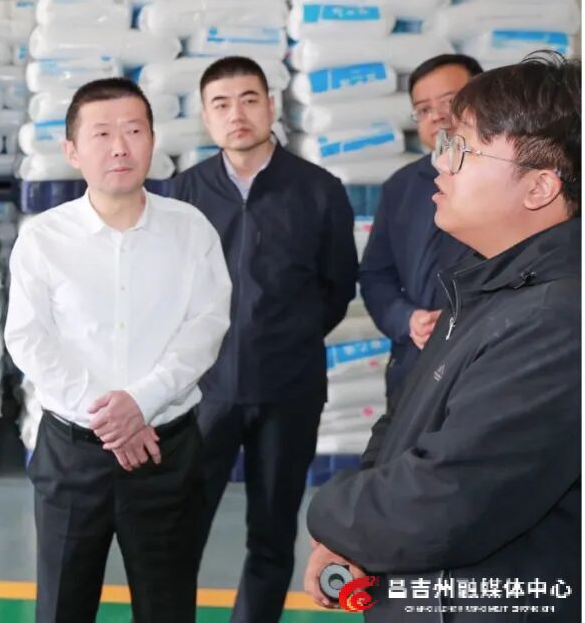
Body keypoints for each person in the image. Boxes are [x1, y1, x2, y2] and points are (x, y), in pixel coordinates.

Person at [304, 52, 581, 622]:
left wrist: (329, 512)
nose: (440, 166)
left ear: (539, 187)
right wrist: (354, 535)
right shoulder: (486, 285)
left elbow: (445, 500)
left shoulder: (554, 321)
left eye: (463, 149)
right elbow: (403, 421)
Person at [5, 77, 232, 623]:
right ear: (72, 150)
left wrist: (142, 402)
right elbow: (29, 338)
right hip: (72, 456)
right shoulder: (43, 238)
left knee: (168, 607)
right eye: (102, 134)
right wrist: (113, 418)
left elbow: (206, 327)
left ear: (153, 141)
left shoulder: (191, 231)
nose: (119, 147)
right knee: (62, 605)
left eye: (133, 131)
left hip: (165, 454)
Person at [172, 56, 358, 623]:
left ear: (272, 106)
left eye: (250, 99)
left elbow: (337, 286)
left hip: (289, 389)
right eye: (222, 104)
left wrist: (285, 338)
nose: (237, 114)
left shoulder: (318, 190)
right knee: (177, 530)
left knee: (273, 534)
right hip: (203, 392)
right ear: (206, 117)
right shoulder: (183, 194)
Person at [359, 54, 481, 401]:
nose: (437, 116)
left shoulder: (505, 180)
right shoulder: (400, 187)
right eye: (424, 109)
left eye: (449, 101)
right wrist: (407, 319)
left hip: (481, 361)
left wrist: (463, 318)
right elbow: (376, 274)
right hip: (413, 364)